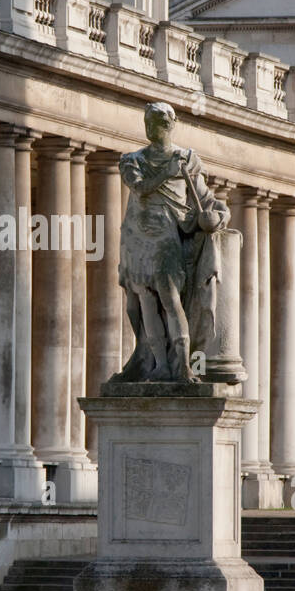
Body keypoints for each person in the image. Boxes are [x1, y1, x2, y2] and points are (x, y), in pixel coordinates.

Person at [116, 101, 229, 383]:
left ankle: (182, 364)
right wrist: (167, 172)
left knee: (170, 297)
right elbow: (140, 187)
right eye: (150, 123)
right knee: (145, 301)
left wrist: (218, 216)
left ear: (172, 125)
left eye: (160, 123)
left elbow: (205, 198)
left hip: (167, 234)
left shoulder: (188, 161)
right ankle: (159, 364)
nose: (153, 128)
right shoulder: (132, 160)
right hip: (138, 237)